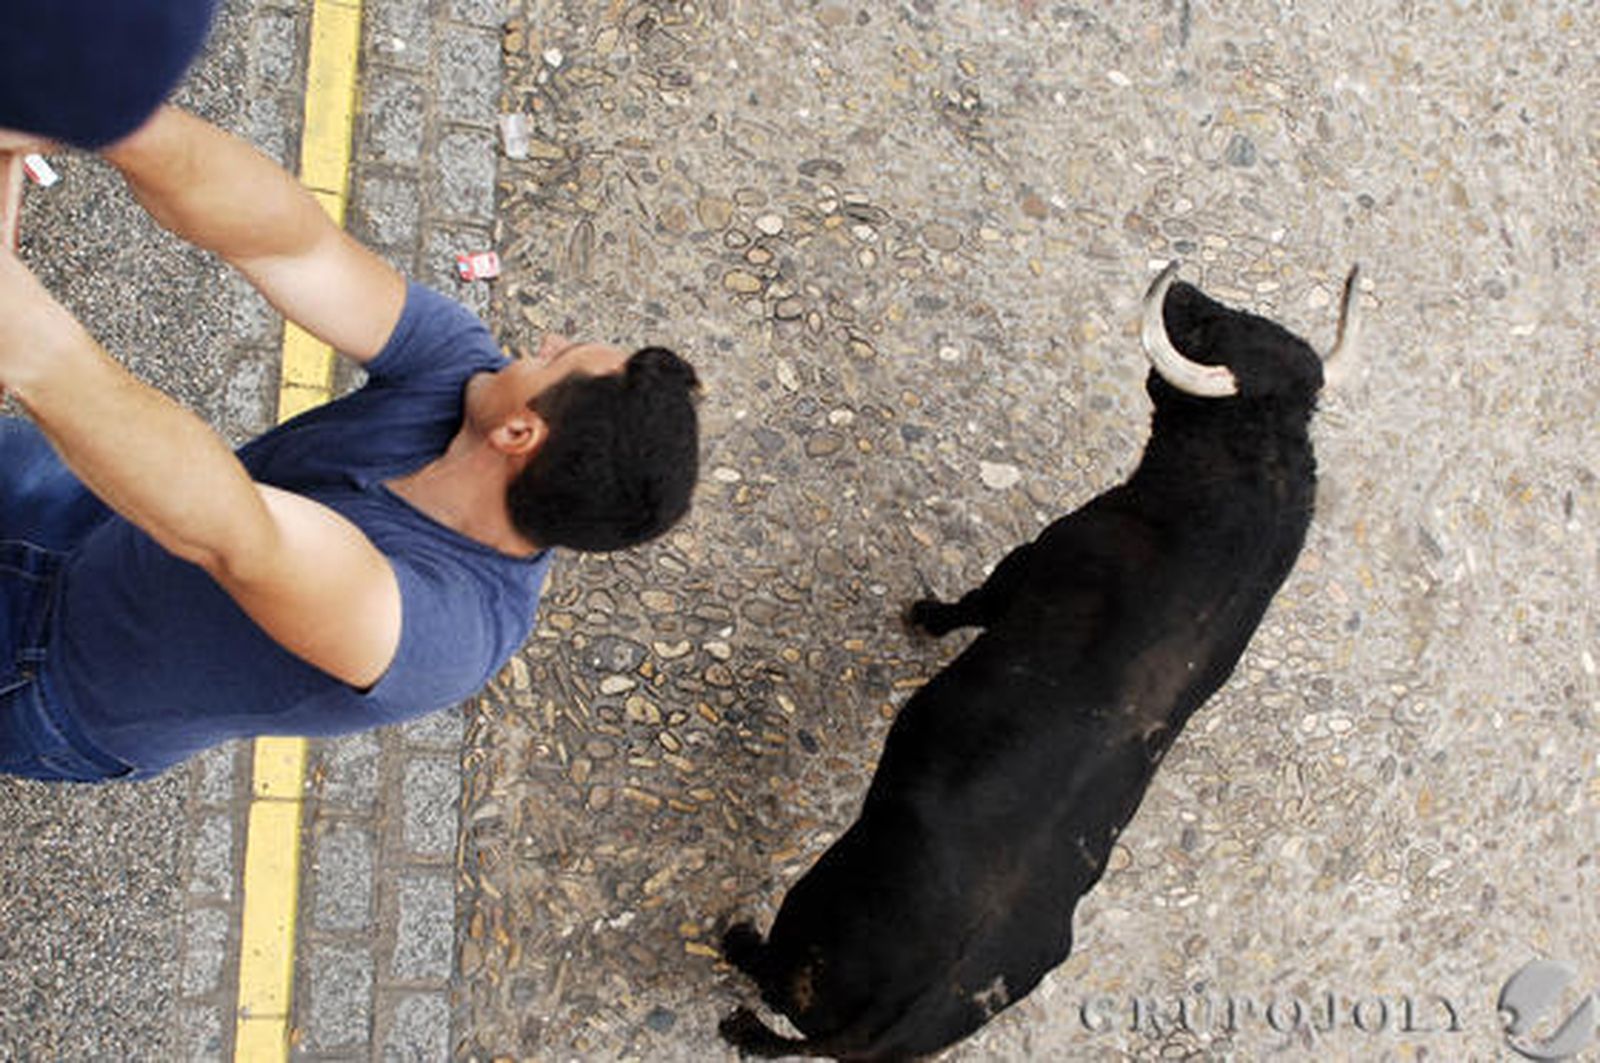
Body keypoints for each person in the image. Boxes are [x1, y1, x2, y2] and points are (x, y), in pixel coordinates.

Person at [0, 106, 700, 782]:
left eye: (556, 357)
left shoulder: (443, 632)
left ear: (519, 433)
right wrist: (100, 115)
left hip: (55, 675)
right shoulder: (464, 373)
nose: (541, 342)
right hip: (93, 510)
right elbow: (285, 240)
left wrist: (28, 338)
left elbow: (231, 531)